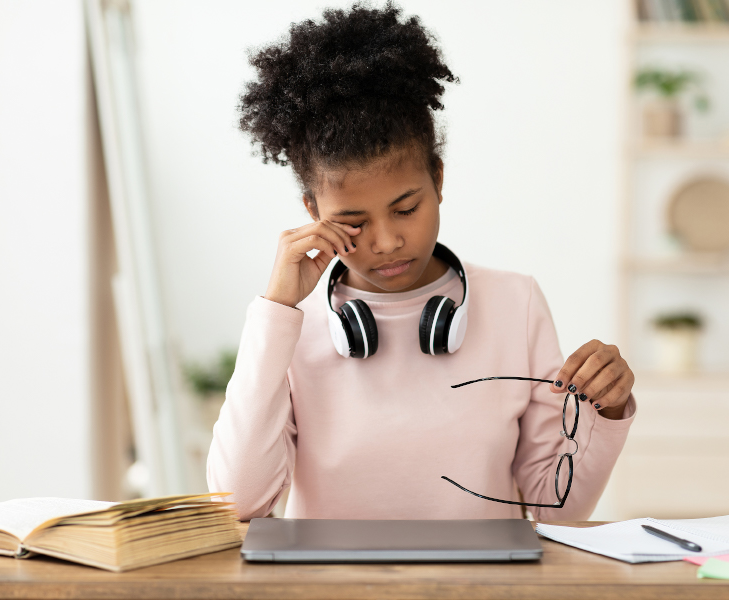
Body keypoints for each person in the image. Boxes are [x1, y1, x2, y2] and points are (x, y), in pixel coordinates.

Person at [207, 2, 636, 521]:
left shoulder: (514, 303)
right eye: (354, 220)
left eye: (406, 208)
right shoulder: (289, 329)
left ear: (438, 178)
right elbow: (239, 505)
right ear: (312, 212)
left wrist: (606, 410)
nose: (387, 241)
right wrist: (275, 311)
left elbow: (557, 510)